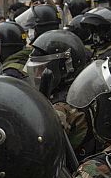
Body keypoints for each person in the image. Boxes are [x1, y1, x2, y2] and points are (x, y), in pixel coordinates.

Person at [24, 29, 94, 159]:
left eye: (42, 69)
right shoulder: (80, 88)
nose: (37, 75)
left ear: (65, 67)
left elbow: (34, 146)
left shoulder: (63, 107)